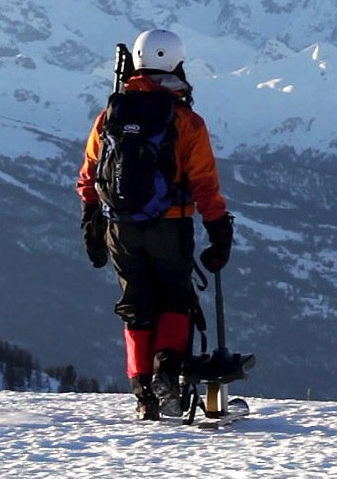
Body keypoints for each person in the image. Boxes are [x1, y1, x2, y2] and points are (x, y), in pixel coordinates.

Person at [76, 29, 234, 421]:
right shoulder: (186, 121)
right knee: (175, 302)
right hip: (170, 226)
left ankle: (142, 391)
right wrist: (219, 232)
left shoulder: (109, 115)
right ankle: (167, 371)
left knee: (136, 308)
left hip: (119, 229)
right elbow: (204, 184)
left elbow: (89, 177)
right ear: (176, 63)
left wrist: (91, 226)